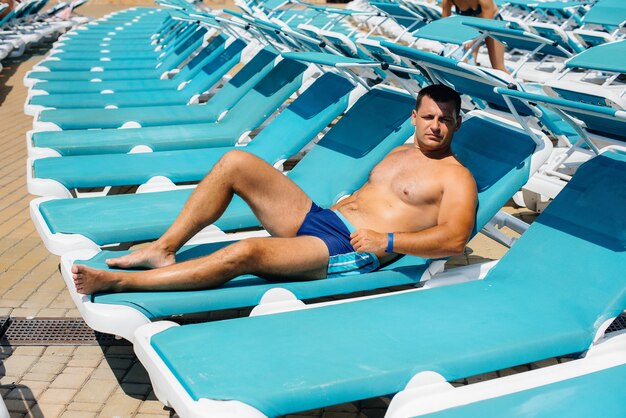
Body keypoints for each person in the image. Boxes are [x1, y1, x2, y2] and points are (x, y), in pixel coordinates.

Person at [72, 84, 477, 295]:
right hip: (325, 219)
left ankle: (123, 283)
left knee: (246, 252)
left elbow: (455, 239)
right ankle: (163, 247)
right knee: (235, 162)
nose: (435, 126)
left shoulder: (457, 177)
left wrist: (385, 239)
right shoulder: (401, 151)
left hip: (350, 249)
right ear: (414, 116)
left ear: (457, 123)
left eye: (445, 119)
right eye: (428, 116)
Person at [441, 0, 509, 74]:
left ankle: (515, 84)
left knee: (498, 68)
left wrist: (473, 39)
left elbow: (487, 24)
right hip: (472, 28)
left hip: (493, 26)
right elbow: (445, 23)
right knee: (469, 66)